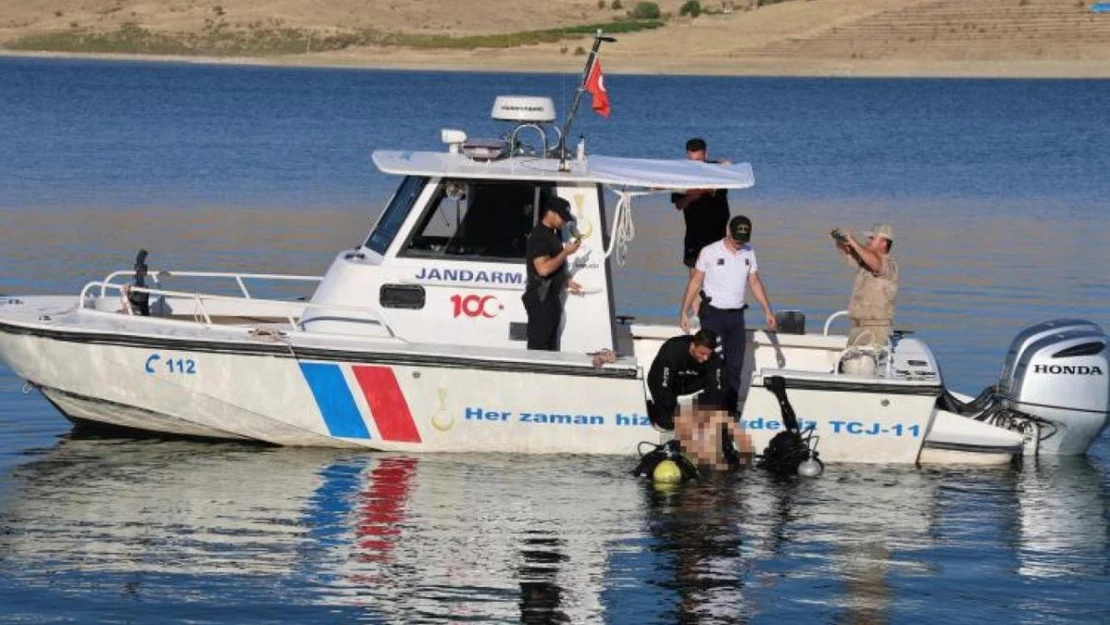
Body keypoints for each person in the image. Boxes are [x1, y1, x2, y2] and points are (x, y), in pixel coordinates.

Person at [679, 215, 777, 412]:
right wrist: (683, 311)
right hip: (713, 315)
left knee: (735, 365)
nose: (739, 243)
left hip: (736, 317)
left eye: (743, 240)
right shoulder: (709, 251)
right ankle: (709, 406)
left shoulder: (749, 252)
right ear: (728, 231)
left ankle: (730, 410)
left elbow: (755, 282)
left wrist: (768, 310)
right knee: (712, 363)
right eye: (736, 239)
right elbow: (696, 282)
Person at [523, 196, 582, 350]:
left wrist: (564, 280)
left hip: (548, 298)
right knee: (539, 347)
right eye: (562, 217)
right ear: (550, 213)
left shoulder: (552, 234)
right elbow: (543, 269)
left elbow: (551, 268)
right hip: (541, 299)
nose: (564, 221)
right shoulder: (539, 236)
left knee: (549, 347)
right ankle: (534, 373)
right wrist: (566, 253)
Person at [831, 223, 899, 347]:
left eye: (872, 238)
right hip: (858, 328)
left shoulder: (888, 264)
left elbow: (876, 264)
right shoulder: (865, 261)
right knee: (847, 364)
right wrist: (840, 240)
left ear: (884, 242)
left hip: (876, 330)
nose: (868, 240)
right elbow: (848, 252)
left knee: (862, 365)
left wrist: (854, 242)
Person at [646, 329, 726, 430]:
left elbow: (717, 389)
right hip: (662, 382)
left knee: (719, 379)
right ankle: (651, 407)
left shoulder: (713, 358)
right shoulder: (672, 349)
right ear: (693, 346)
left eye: (708, 354)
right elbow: (663, 387)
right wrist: (674, 412)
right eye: (702, 353)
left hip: (688, 382)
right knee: (668, 422)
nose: (705, 358)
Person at [671, 138, 730, 273]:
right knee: (695, 274)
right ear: (687, 156)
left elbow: (728, 166)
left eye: (698, 161)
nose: (695, 164)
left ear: (706, 155)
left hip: (717, 234)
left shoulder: (718, 171)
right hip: (694, 234)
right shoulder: (680, 175)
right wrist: (691, 197)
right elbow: (678, 205)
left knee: (717, 274)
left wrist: (725, 165)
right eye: (692, 161)